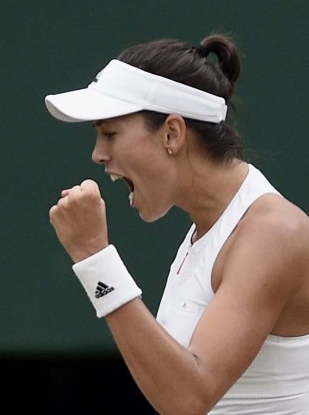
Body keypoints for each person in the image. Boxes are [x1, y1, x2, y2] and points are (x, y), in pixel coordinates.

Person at [45, 33, 309, 414]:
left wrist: (94, 256)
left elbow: (187, 399)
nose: (98, 155)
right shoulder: (207, 232)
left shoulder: (272, 233)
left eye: (110, 133)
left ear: (172, 133)